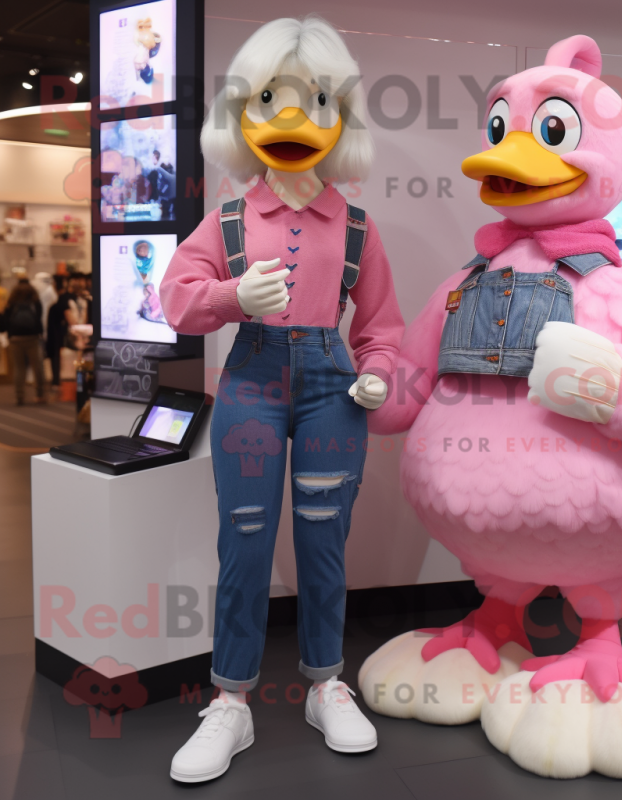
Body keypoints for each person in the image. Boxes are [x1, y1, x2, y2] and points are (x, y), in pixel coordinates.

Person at [160, 16, 404, 784]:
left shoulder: (358, 227)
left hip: (333, 387)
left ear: (341, 116)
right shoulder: (229, 218)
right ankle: (230, 699)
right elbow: (175, 298)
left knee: (325, 539)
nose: (292, 118)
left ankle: (325, 681)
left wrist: (377, 373)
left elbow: (383, 328)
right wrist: (235, 294)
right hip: (252, 384)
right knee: (245, 538)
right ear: (243, 111)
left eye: (314, 100)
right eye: (269, 98)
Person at [1, 279, 46, 405]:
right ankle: (40, 394)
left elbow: (5, 321)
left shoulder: (11, 302)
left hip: (15, 339)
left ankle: (19, 396)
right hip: (33, 338)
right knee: (38, 367)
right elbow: (39, 319)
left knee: (19, 368)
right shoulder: (35, 301)